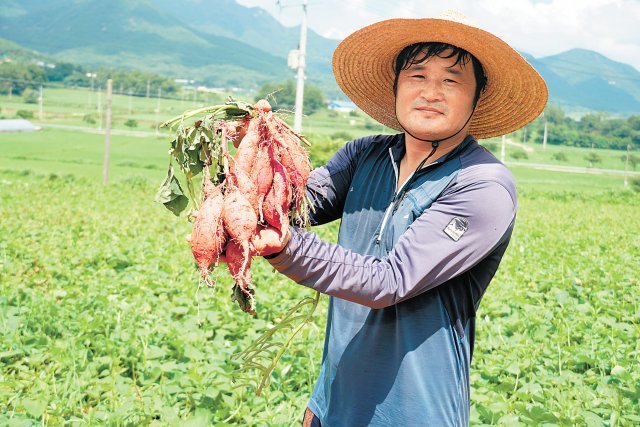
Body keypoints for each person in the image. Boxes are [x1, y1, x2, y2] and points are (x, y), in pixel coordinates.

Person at [251, 10, 548, 426]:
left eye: (451, 80)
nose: (431, 92)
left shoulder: (483, 186)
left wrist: (287, 247)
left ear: (476, 97)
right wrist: (253, 161)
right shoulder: (365, 156)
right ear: (396, 87)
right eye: (417, 76)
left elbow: (391, 280)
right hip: (335, 403)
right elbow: (297, 205)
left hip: (416, 412)